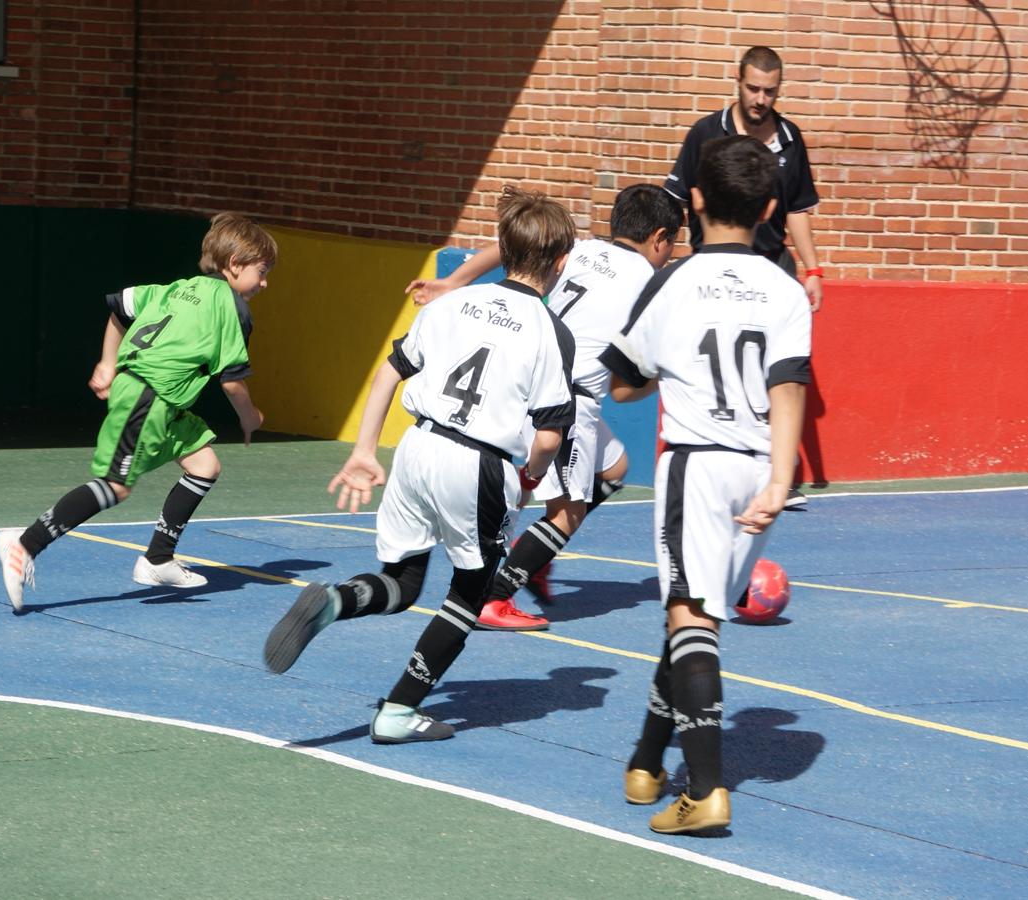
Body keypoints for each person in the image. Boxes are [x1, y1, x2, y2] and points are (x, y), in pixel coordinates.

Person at [262, 186, 576, 744]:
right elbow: (550, 436)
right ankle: (400, 710)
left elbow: (390, 370)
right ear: (558, 264)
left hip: (417, 446)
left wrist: (362, 451)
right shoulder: (552, 331)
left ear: (503, 248)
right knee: (471, 592)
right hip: (478, 463)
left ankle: (336, 599)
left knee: (402, 582)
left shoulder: (451, 302)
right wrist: (527, 479)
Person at [600, 135, 812, 834]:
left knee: (687, 619)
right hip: (758, 469)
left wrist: (665, 367)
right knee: (697, 619)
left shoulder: (672, 281)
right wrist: (780, 479)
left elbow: (623, 383)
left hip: (695, 460)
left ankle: (707, 792)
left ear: (692, 200)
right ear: (770, 207)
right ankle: (644, 762)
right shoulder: (785, 289)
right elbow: (789, 386)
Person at [406, 184, 684, 631]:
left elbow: (507, 243)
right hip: (568, 399)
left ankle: (536, 552)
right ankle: (494, 598)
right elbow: (624, 385)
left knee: (614, 469)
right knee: (566, 513)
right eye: (671, 246)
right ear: (659, 238)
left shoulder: (577, 247)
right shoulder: (651, 285)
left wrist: (452, 281)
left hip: (526, 382)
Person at [0, 212, 275, 612]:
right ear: (234, 264)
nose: (264, 283)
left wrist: (107, 361)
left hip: (165, 400)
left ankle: (158, 559)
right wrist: (251, 417)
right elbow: (231, 382)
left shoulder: (177, 288)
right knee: (117, 486)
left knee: (204, 466)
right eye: (262, 272)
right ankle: (25, 544)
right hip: (149, 396)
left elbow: (120, 309)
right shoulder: (231, 308)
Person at [665, 45, 820, 509]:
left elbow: (796, 211)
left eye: (769, 91)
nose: (760, 99)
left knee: (777, 370)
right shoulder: (706, 133)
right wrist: (672, 260)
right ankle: (709, 463)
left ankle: (777, 476)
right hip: (713, 265)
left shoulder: (790, 140)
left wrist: (812, 268)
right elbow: (677, 200)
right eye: (753, 88)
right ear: (738, 81)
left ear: (779, 91)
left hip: (772, 267)